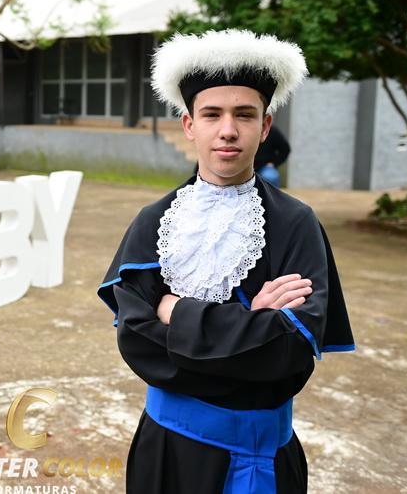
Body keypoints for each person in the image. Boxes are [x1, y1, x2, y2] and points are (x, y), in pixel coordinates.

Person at [97, 30, 355, 494]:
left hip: (259, 461)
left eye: (245, 115)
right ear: (189, 125)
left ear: (266, 126)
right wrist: (250, 322)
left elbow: (289, 353)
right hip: (164, 451)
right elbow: (135, 342)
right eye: (212, 114)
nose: (228, 130)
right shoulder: (154, 220)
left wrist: (175, 310)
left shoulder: (296, 223)